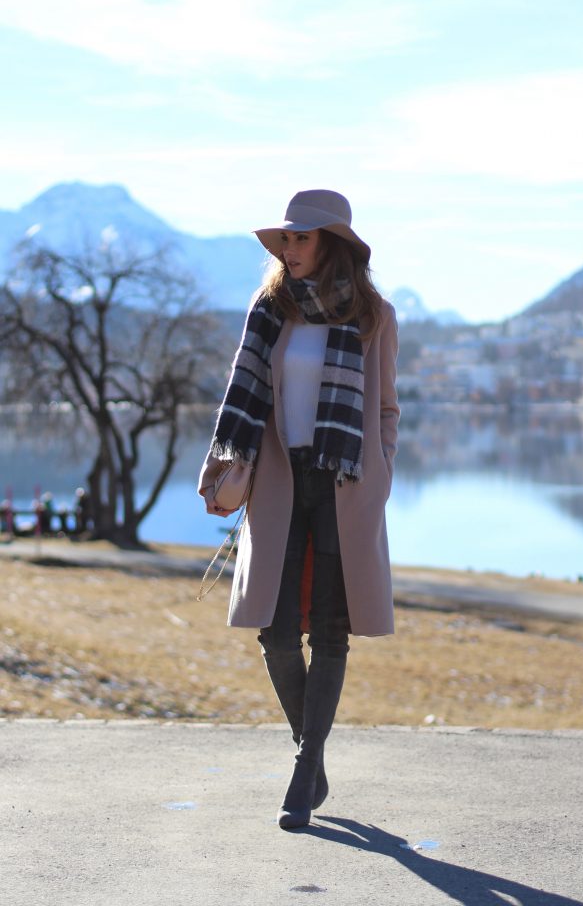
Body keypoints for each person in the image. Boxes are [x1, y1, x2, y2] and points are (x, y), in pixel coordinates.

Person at [198, 189, 399, 829]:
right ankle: (311, 759)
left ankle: (303, 773)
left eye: (302, 238)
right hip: (282, 479)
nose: (291, 248)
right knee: (277, 632)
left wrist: (381, 469)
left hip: (344, 483)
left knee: (331, 632)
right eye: (286, 239)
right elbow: (243, 395)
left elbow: (388, 409)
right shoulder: (269, 310)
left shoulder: (374, 316)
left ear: (332, 242)